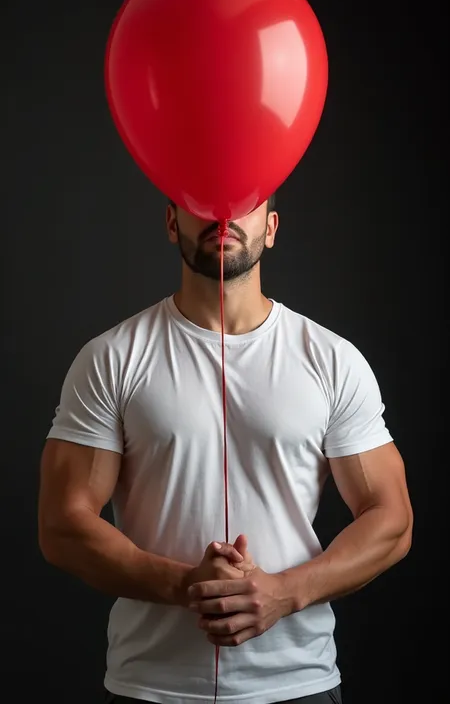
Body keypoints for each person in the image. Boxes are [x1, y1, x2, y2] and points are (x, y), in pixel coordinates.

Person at [38, 195, 413, 704]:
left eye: (244, 200)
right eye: (202, 198)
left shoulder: (332, 361)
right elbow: (62, 525)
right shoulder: (111, 359)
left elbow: (392, 520)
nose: (222, 216)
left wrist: (284, 592)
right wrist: (187, 585)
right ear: (172, 221)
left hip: (297, 683)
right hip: (151, 687)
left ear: (272, 226)